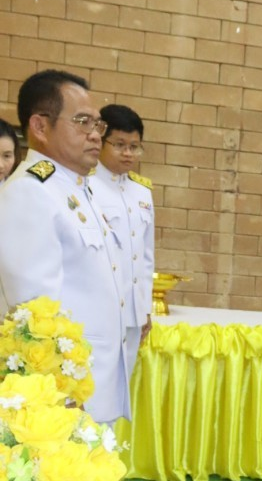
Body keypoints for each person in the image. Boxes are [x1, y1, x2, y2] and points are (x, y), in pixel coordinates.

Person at [0, 70, 130, 426]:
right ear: (40, 127)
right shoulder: (31, 192)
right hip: (65, 396)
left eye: (98, 124)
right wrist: (63, 391)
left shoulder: (75, 189)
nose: (94, 134)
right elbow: (33, 311)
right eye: (82, 121)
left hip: (92, 382)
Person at [93, 104, 155, 382]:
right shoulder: (86, 187)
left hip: (132, 315)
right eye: (119, 145)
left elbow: (145, 258)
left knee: (119, 392)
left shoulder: (142, 193)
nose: (128, 153)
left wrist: (144, 309)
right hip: (98, 315)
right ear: (100, 140)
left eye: (135, 146)